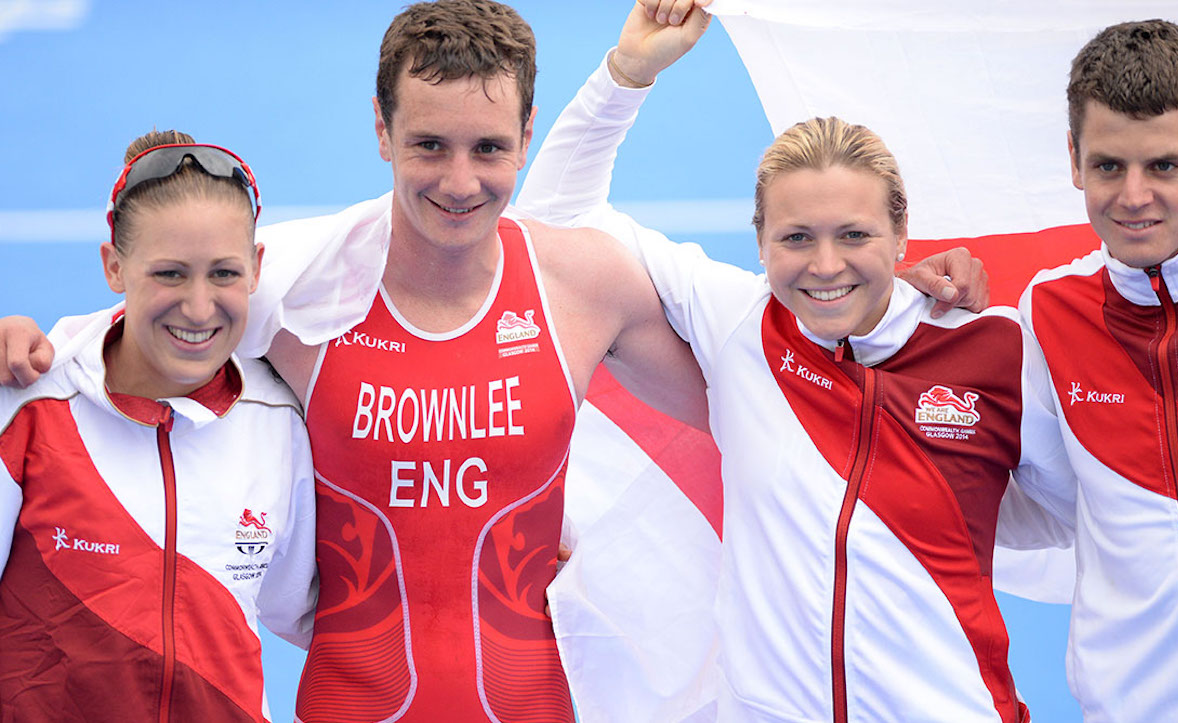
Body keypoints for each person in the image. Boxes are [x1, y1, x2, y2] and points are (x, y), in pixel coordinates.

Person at [0, 2, 989, 720]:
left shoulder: (581, 285)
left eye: (487, 149)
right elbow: (160, 319)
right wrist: (32, 354)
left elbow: (777, 367)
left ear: (523, 141)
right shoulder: (302, 289)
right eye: (427, 146)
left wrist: (910, 299)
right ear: (380, 132)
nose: (460, 181)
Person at [518, 5, 1076, 720]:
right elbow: (555, 232)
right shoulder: (738, 325)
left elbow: (1075, 515)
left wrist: (953, 493)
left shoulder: (993, 347)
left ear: (903, 230)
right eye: (796, 237)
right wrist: (627, 74)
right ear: (758, 240)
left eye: (854, 234)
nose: (825, 265)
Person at [0, 131, 316, 721]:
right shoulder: (30, 405)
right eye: (169, 274)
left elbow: (315, 609)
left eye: (223, 273)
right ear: (114, 266)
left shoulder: (279, 420)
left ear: (256, 269)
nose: (199, 308)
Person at [1017, 20, 1178, 721]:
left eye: (1163, 165)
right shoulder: (1048, 312)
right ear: (1074, 159)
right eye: (1108, 166)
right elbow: (1042, 505)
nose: (1133, 196)